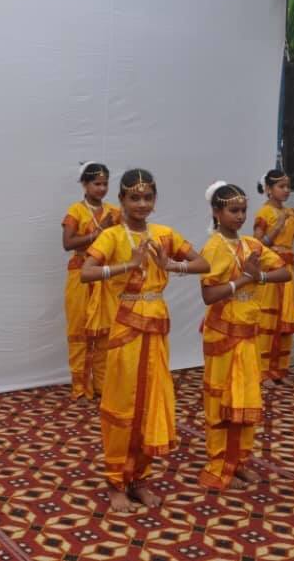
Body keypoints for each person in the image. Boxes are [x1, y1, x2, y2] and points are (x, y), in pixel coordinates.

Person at [80, 169, 208, 513]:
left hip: (155, 331)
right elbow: (86, 273)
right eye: (134, 197)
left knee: (150, 404)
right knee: (123, 405)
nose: (141, 204)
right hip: (125, 331)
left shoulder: (164, 234)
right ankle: (115, 481)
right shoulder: (111, 236)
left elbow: (203, 263)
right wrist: (128, 265)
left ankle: (139, 479)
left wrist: (171, 265)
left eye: (147, 197)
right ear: (121, 200)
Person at [198, 182, 289, 490]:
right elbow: (209, 295)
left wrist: (258, 276)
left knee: (246, 398)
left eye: (243, 210)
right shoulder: (213, 247)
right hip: (222, 337)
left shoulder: (251, 244)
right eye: (233, 210)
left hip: (247, 336)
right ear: (216, 212)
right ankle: (219, 465)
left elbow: (284, 272)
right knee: (221, 402)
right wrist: (243, 280)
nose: (239, 216)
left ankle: (239, 462)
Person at [61, 162, 120, 399]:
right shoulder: (75, 211)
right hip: (80, 277)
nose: (102, 188)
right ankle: (80, 386)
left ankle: (102, 385)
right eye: (97, 184)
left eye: (105, 184)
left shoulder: (114, 212)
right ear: (85, 184)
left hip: (105, 276)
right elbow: (68, 243)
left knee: (105, 332)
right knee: (79, 330)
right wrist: (99, 231)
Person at [253, 170, 294, 381]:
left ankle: (280, 370)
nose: (286, 190)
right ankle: (262, 371)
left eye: (288, 186)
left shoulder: (291, 213)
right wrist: (279, 224)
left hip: (288, 271)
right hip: (271, 271)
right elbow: (258, 245)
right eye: (281, 186)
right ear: (268, 189)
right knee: (268, 319)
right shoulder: (264, 213)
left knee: (285, 319)